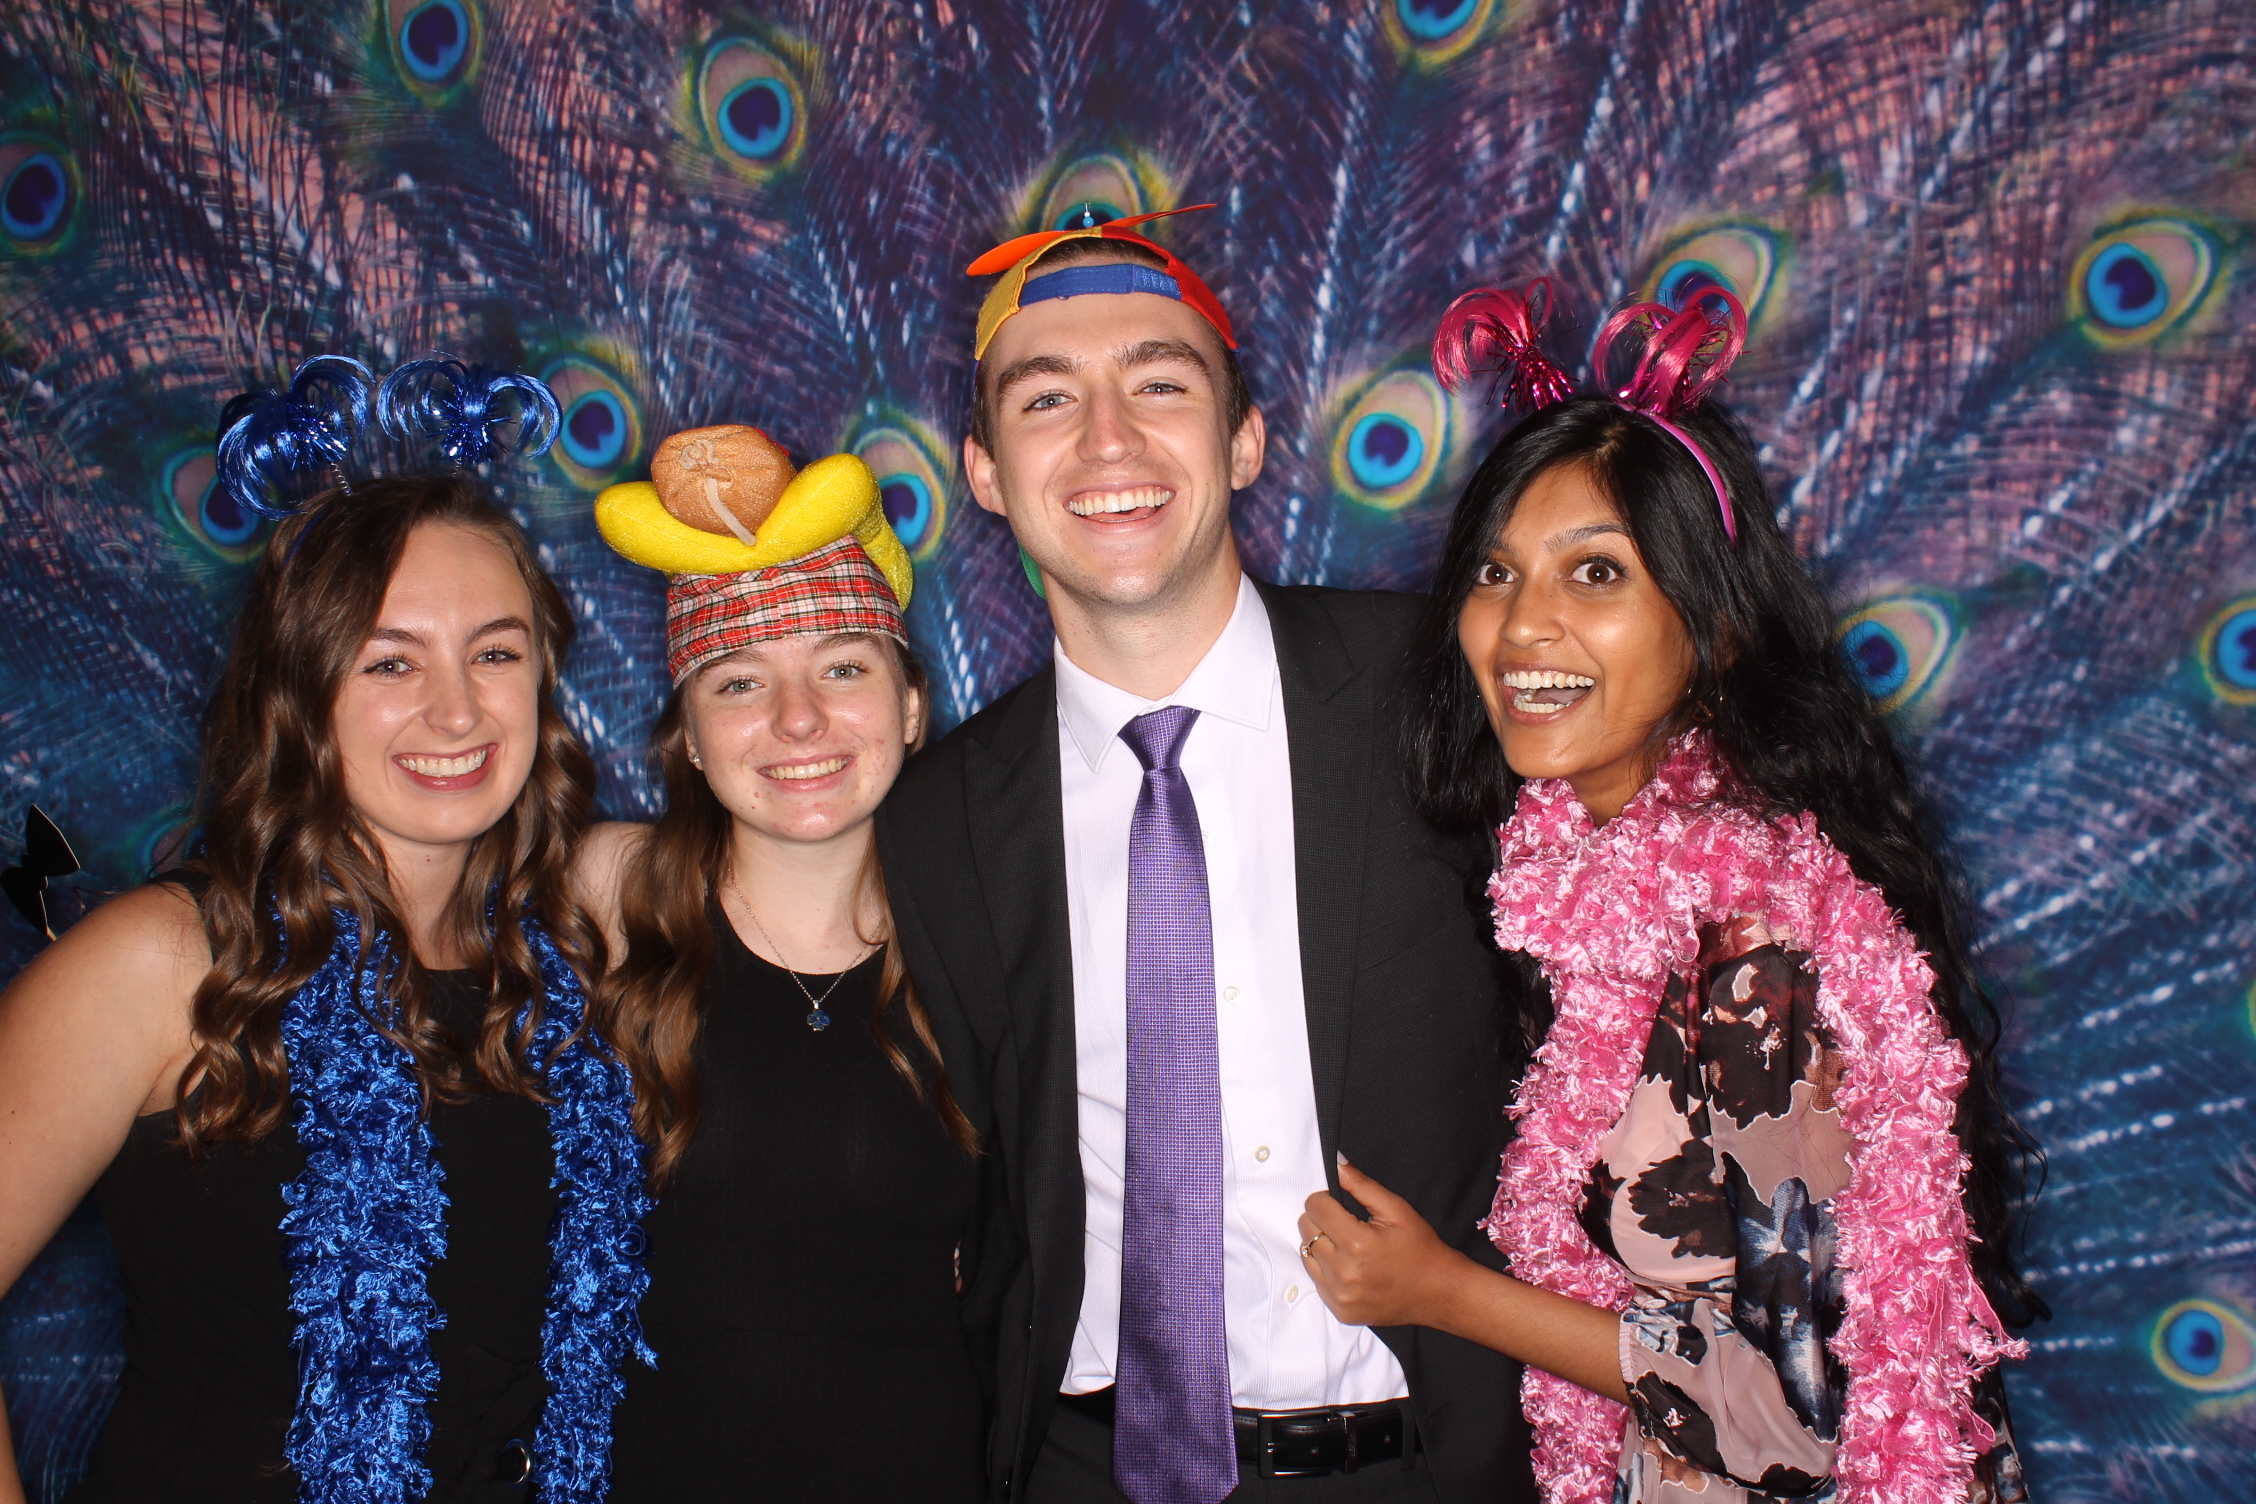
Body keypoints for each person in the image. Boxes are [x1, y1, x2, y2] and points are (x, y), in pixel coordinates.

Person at [1291, 284, 2037, 1504]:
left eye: (1595, 573)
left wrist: (1441, 1293)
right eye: (1495, 570)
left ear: (1715, 630)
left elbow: (1799, 1419)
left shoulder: (1756, 958)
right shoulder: (1576, 895)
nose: (1524, 625)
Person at [876, 208, 1538, 1504]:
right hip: (1082, 1465)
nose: (1108, 440)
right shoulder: (940, 814)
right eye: (1047, 398)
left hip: (1420, 1466)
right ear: (985, 470)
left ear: (1244, 442)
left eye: (1160, 385)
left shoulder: (1443, 692)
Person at [0, 356, 650, 1504]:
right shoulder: (164, 959)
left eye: (494, 651)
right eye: (389, 661)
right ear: (299, 692)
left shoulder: (560, 965)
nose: (456, 710)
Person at [575, 423, 990, 1502]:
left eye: (842, 669)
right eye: (740, 683)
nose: (799, 720)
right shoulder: (605, 899)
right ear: (690, 738)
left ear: (908, 706)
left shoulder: (984, 944)